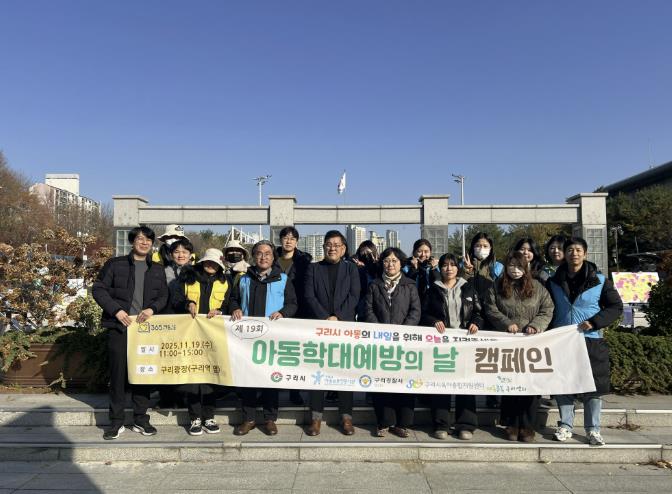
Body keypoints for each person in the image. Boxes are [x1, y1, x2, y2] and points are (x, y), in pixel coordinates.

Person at [92, 226, 168, 440]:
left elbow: (164, 296)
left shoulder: (157, 269)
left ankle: (141, 419)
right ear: (132, 241)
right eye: (140, 239)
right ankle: (116, 421)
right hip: (120, 327)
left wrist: (152, 309)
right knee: (118, 375)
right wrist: (116, 310)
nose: (144, 243)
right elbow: (98, 289)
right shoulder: (115, 264)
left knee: (143, 373)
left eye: (148, 240)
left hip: (145, 330)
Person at [547, 237, 622, 446]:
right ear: (565, 254)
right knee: (563, 384)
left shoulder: (599, 280)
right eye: (570, 250)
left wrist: (595, 322)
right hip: (562, 340)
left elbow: (615, 307)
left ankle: (593, 429)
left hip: (591, 339)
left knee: (593, 387)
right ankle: (565, 425)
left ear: (585, 254)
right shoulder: (553, 281)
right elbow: (547, 309)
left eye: (578, 250)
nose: (574, 253)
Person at [484, 251, 554, 442]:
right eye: (511, 266)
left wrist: (536, 325)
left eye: (519, 266)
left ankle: (528, 426)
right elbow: (490, 308)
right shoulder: (497, 286)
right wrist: (506, 323)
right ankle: (511, 424)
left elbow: (547, 309)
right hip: (507, 342)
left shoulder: (538, 287)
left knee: (529, 385)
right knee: (509, 383)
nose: (515, 270)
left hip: (531, 343)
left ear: (526, 267)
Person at [230, 240, 298, 436]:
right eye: (259, 253)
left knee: (270, 379)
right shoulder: (243, 278)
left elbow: (293, 303)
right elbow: (233, 299)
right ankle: (249, 418)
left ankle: (270, 419)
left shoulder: (282, 279)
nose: (263, 257)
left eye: (267, 253)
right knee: (247, 379)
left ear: (273, 257)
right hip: (246, 338)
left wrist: (283, 312)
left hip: (272, 338)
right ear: (253, 256)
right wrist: (235, 307)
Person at [303, 230, 361, 436]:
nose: (332, 248)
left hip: (344, 328)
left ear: (344, 249)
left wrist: (338, 317)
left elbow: (355, 295)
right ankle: (315, 418)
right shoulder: (313, 268)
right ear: (323, 247)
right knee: (317, 372)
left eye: (337, 245)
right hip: (319, 328)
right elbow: (309, 295)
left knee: (344, 372)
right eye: (329, 244)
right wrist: (325, 318)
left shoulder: (351, 268)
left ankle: (346, 417)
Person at [421, 253, 484, 440]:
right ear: (440, 268)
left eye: (453, 265)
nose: (449, 268)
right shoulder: (432, 290)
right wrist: (433, 321)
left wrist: (476, 323)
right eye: (445, 265)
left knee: (466, 384)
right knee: (442, 384)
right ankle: (441, 424)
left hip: (465, 344)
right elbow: (424, 314)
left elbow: (479, 312)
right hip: (442, 345)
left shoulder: (468, 288)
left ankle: (466, 425)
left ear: (458, 268)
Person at [172, 248, 231, 436]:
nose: (211, 265)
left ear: (220, 266)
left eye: (215, 263)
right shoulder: (188, 278)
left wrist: (221, 311)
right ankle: (195, 417)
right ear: (202, 262)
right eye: (208, 261)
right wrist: (188, 304)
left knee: (211, 377)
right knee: (193, 377)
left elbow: (231, 303)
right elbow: (175, 300)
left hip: (214, 336)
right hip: (190, 335)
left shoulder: (226, 281)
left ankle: (209, 416)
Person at [364, 247, 421, 438]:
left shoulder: (409, 285)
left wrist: (402, 332)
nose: (390, 264)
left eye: (394, 261)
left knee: (404, 382)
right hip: (380, 341)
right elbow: (368, 309)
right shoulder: (374, 285)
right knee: (382, 381)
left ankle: (403, 423)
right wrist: (380, 331)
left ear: (401, 264)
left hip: (404, 342)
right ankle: (384, 422)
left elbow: (415, 311)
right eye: (387, 260)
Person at [275, 226, 312, 405]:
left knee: (293, 352)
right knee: (273, 351)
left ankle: (294, 390)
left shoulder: (304, 260)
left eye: (292, 238)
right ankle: (270, 390)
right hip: (274, 309)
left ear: (297, 241)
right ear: (280, 240)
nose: (288, 241)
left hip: (298, 309)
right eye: (285, 237)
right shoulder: (271, 257)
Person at [462, 232, 504, 300]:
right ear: (473, 247)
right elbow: (458, 286)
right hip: (469, 304)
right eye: (478, 246)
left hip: (490, 304)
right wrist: (466, 272)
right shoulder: (463, 265)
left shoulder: (498, 266)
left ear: (490, 247)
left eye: (485, 246)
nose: (481, 248)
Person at [352, 240, 379, 321]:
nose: (366, 255)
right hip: (362, 308)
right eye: (363, 253)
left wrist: (377, 265)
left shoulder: (380, 265)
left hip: (377, 309)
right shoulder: (357, 267)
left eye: (368, 253)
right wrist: (360, 267)